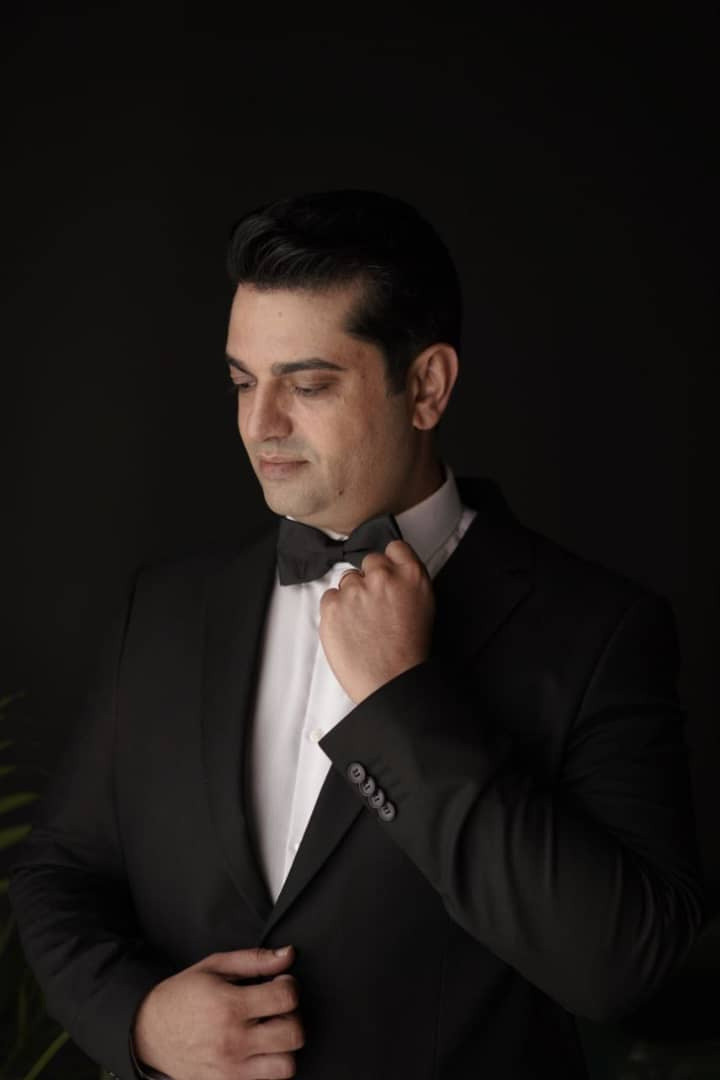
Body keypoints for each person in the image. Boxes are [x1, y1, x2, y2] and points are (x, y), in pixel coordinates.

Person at [9, 189, 706, 1080]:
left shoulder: (599, 632)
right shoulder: (166, 611)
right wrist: (141, 1022)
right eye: (242, 382)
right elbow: (59, 873)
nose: (260, 424)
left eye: (307, 385)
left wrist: (401, 705)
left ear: (428, 387)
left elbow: (626, 969)